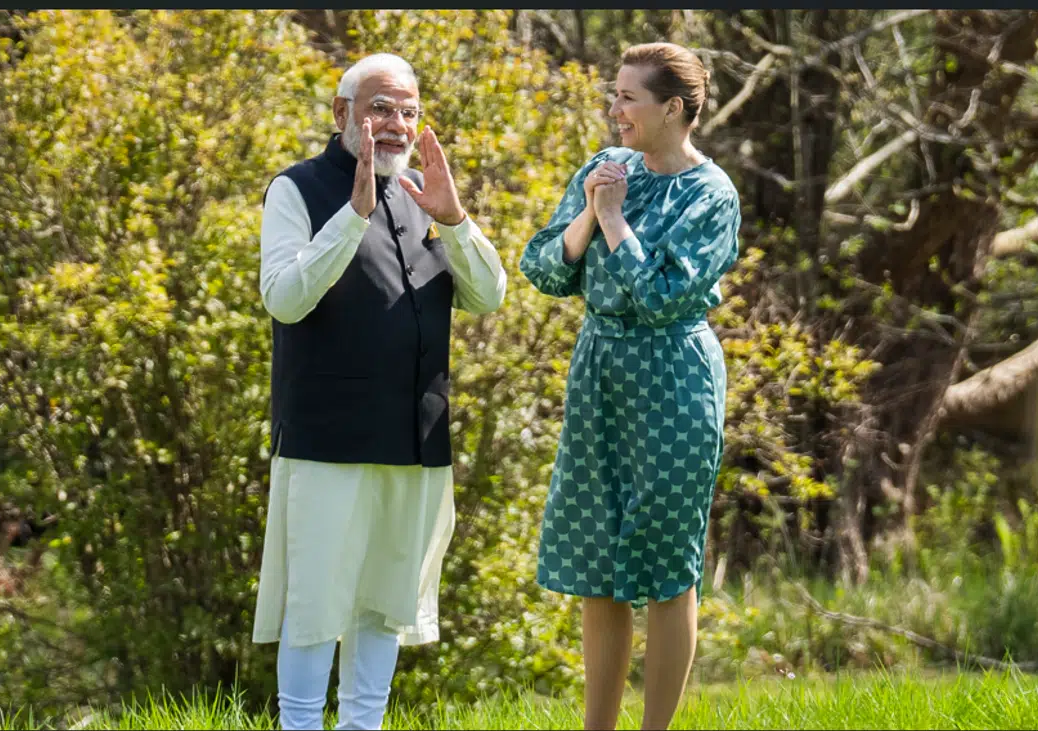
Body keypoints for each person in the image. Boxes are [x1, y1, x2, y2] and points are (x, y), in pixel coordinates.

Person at [252, 53, 507, 730]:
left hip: (415, 440)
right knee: (314, 605)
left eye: (408, 111)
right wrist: (354, 216)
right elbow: (284, 299)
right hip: (326, 439)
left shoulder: (424, 193)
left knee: (384, 603)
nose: (396, 124)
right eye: (381, 108)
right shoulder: (296, 189)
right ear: (343, 113)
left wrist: (456, 220)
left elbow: (488, 296)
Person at [519, 42, 741, 731]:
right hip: (599, 375)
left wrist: (616, 220)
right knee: (597, 559)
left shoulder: (712, 194)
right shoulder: (605, 169)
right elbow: (543, 268)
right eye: (613, 95)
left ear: (672, 108)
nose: (614, 110)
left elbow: (663, 298)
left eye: (627, 97)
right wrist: (592, 210)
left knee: (667, 564)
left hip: (673, 379)